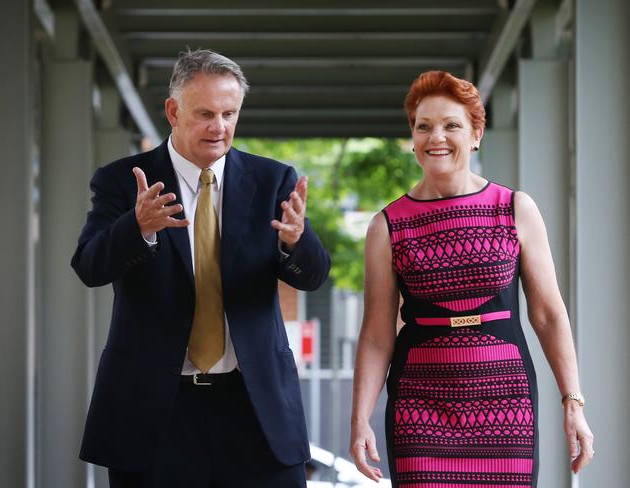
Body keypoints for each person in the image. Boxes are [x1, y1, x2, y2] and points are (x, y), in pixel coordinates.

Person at [72, 49, 330, 487]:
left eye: (230, 113)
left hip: (254, 409)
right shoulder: (123, 180)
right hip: (156, 410)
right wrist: (136, 227)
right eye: (206, 113)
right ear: (173, 111)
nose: (220, 127)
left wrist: (294, 241)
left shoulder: (274, 181)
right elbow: (89, 266)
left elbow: (314, 274)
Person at [350, 71, 594, 487]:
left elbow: (549, 315)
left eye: (451, 125)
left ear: (476, 133)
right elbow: (376, 334)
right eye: (423, 126)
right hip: (418, 405)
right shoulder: (386, 225)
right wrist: (359, 422)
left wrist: (574, 403)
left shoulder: (515, 208)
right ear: (412, 137)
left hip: (505, 399)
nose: (436, 137)